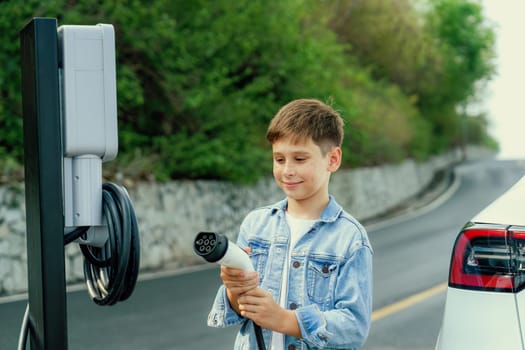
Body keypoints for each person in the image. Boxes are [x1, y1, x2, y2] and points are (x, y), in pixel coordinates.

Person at [207, 98, 373, 349]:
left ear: (333, 159)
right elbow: (238, 308)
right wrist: (234, 290)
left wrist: (286, 320)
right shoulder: (255, 225)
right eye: (279, 159)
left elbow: (353, 326)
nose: (287, 170)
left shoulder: (350, 239)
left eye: (300, 159)